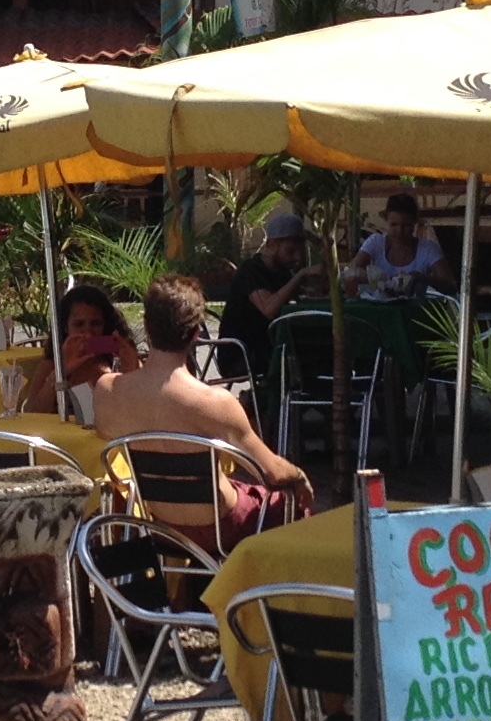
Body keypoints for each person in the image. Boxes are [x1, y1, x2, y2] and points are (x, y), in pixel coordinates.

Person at [96, 274, 314, 534]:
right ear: (197, 333)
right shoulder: (215, 402)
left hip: (162, 527)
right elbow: (272, 473)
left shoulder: (107, 390)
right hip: (222, 527)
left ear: (146, 325)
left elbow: (106, 431)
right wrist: (299, 476)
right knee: (292, 501)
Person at [219, 205, 318, 383]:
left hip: (270, 347)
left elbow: (305, 296)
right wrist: (300, 276)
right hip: (241, 354)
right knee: (302, 356)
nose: (296, 258)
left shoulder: (282, 273)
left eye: (299, 251)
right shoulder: (251, 271)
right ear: (272, 246)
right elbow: (269, 309)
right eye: (290, 251)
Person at [23, 281, 141, 415]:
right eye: (79, 324)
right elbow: (32, 413)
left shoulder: (120, 359)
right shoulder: (52, 364)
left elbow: (143, 408)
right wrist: (59, 374)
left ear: (106, 325)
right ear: (65, 327)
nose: (88, 333)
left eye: (95, 324)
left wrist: (131, 370)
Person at [345, 192, 446, 300]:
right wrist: (371, 276)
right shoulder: (375, 242)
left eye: (406, 225)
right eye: (394, 225)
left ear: (414, 223)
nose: (400, 231)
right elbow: (350, 272)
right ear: (387, 221)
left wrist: (424, 279)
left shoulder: (427, 248)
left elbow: (450, 285)